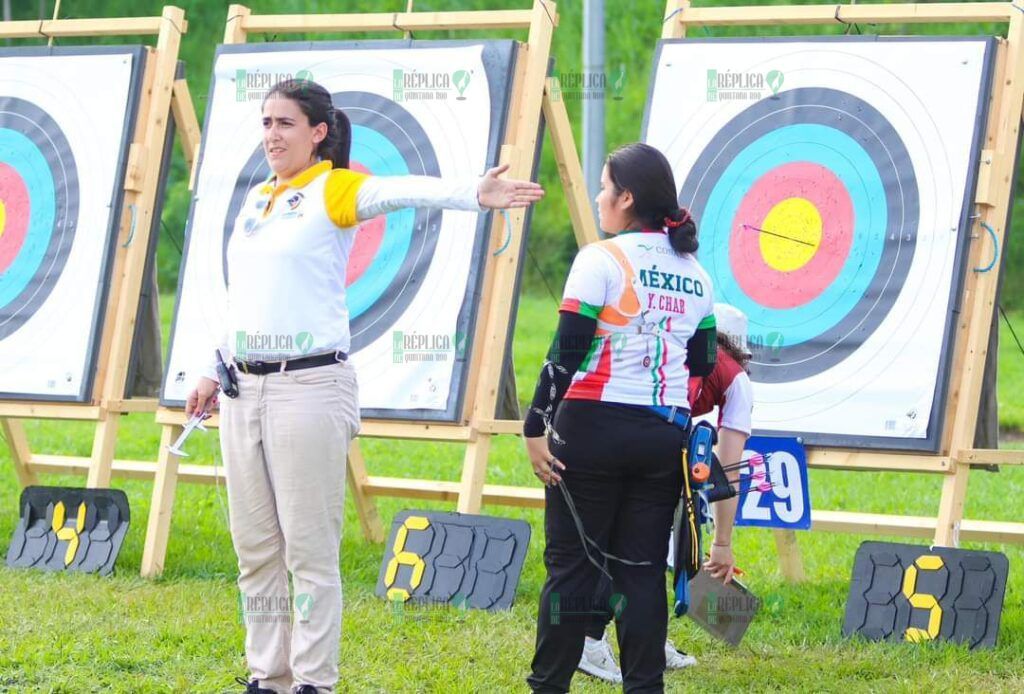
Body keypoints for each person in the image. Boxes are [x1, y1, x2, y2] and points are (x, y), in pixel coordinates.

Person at [183, 78, 544, 694]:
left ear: (318, 133)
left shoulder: (335, 188)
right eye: (266, 122)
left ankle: (314, 682)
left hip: (309, 387)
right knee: (256, 551)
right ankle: (267, 676)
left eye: (286, 124)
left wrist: (472, 193)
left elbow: (401, 191)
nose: (271, 134)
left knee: (308, 552)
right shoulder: (256, 201)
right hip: (245, 389)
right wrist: (211, 366)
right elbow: (237, 296)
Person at [523, 142, 717, 693]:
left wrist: (535, 425)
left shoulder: (601, 258)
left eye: (605, 187)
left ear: (627, 198)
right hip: (662, 434)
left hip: (588, 431)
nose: (599, 196)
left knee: (572, 571)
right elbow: (702, 362)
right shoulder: (696, 274)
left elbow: (567, 352)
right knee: (641, 572)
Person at [575, 303, 754, 684]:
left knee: (618, 541)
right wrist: (722, 544)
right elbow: (731, 468)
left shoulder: (665, 343)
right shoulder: (735, 375)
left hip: (596, 429)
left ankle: (644, 640)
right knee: (639, 549)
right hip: (649, 445)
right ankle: (590, 639)